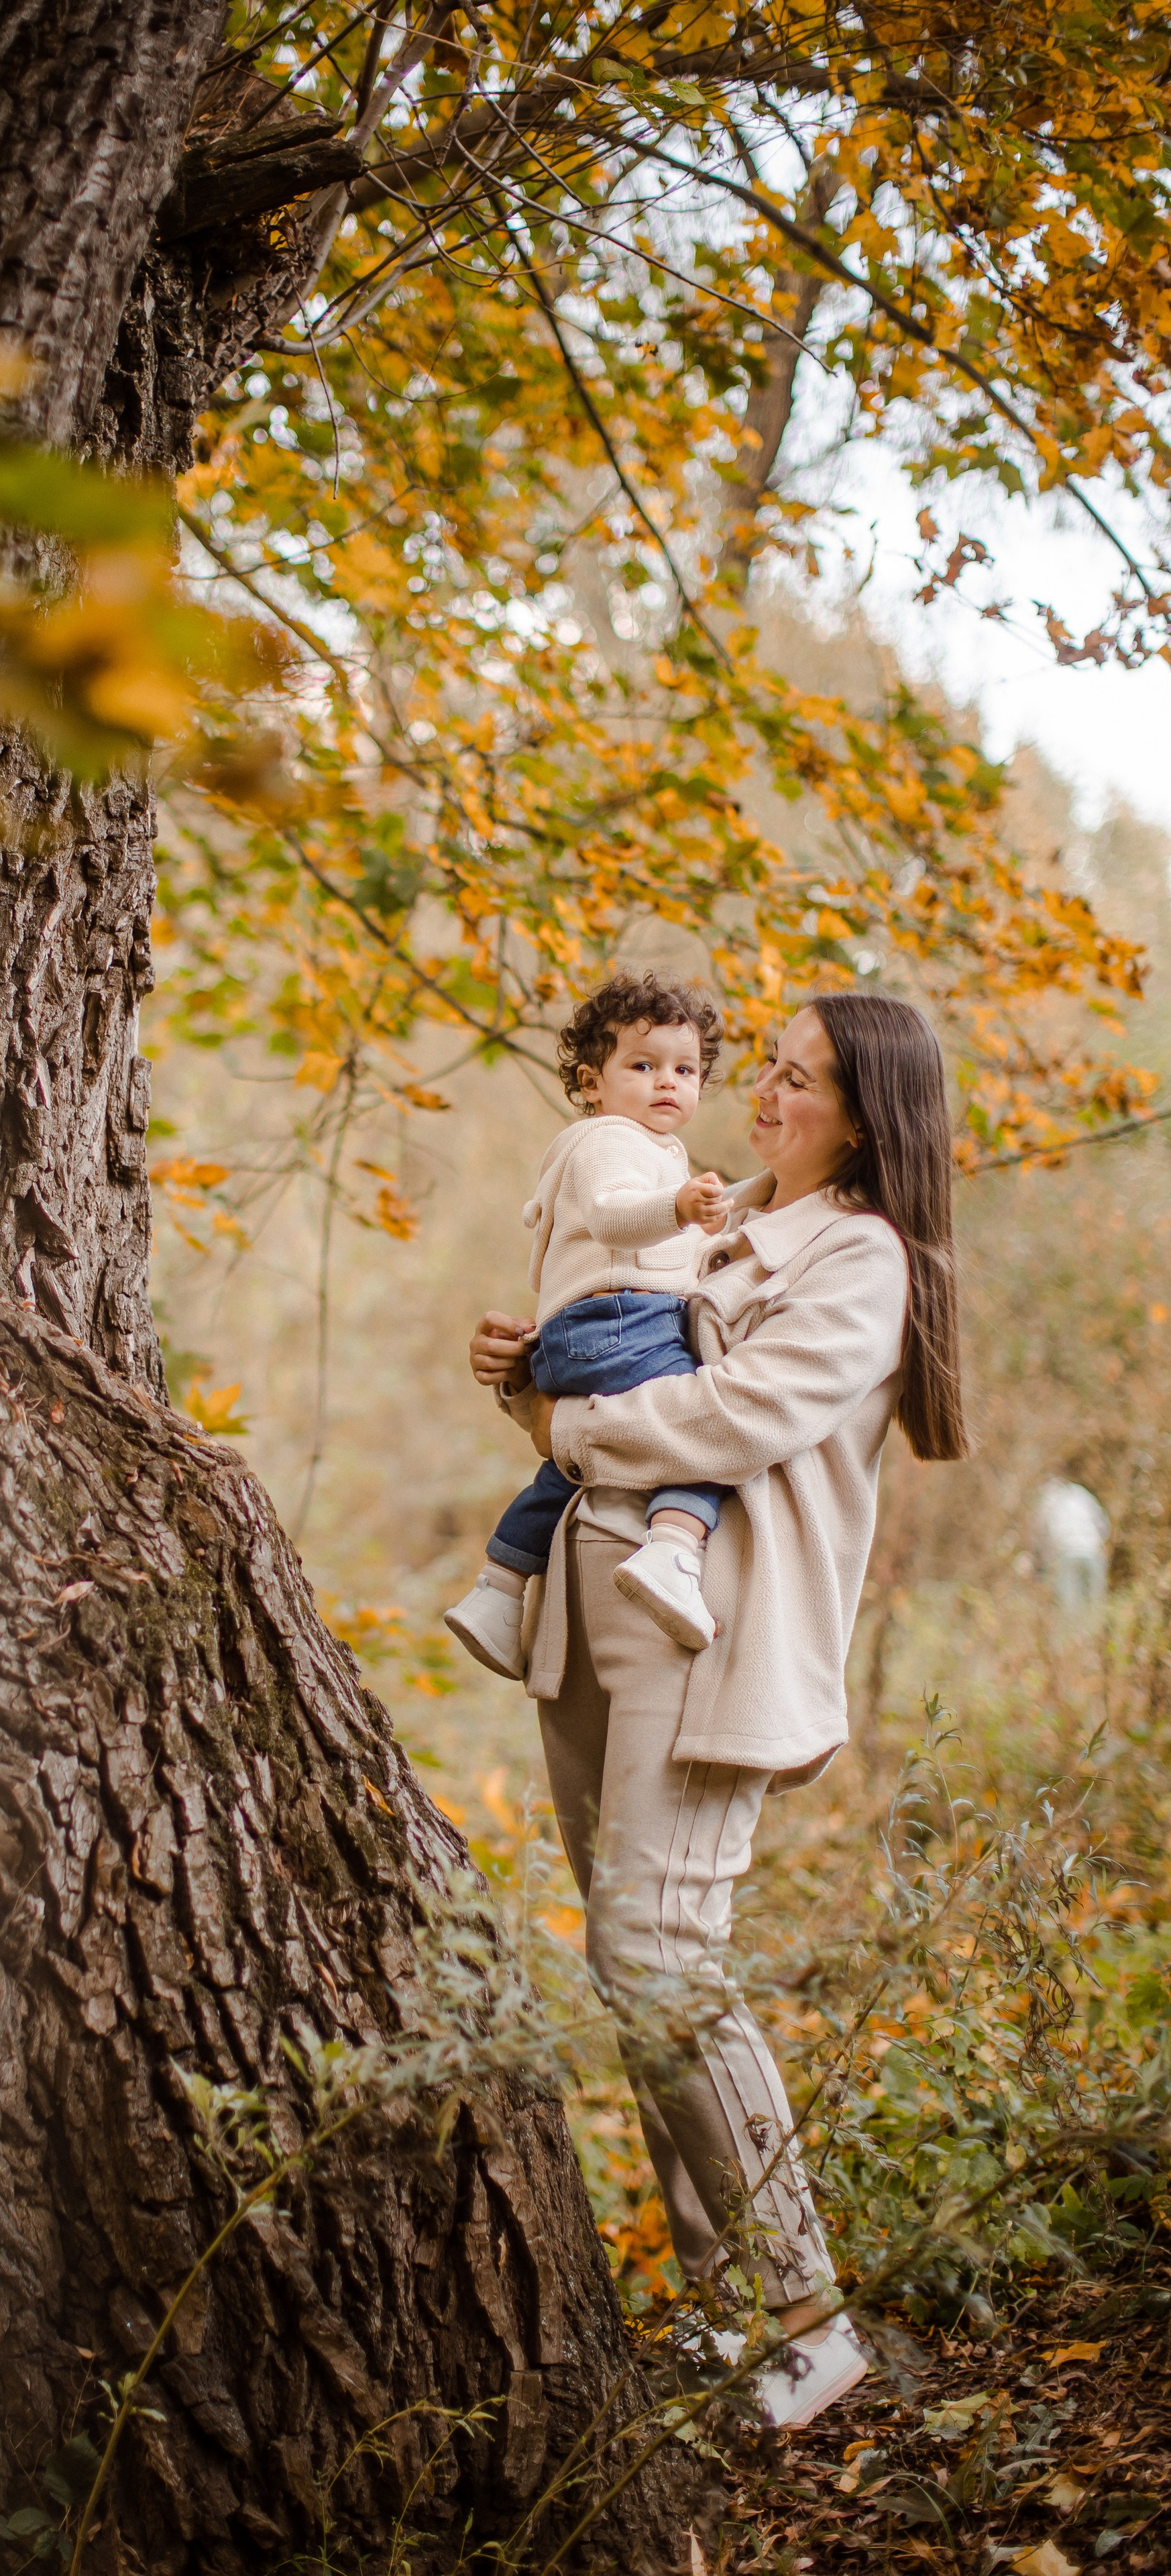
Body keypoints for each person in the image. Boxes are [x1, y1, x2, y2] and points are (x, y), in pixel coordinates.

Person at [467, 991, 967, 2427]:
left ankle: (808, 2319)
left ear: (865, 1121)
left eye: (799, 1081)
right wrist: (525, 1370)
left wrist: (568, 1423)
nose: (762, 1094)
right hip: (589, 1611)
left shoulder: (860, 1258)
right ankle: (719, 2312)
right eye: (769, 1067)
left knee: (660, 1957)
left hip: (709, 1631)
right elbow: (605, 1351)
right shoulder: (705, 1214)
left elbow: (735, 1415)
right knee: (630, 1967)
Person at [443, 972, 734, 1683]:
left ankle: (498, 1590)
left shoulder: (636, 1147)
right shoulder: (611, 1140)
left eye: (685, 1070)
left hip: (581, 1333)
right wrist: (680, 1208)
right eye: (643, 1065)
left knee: (570, 1466)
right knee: (703, 1431)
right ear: (591, 1082)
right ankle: (672, 1551)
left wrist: (701, 1236)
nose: (667, 1082)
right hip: (623, 1321)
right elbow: (613, 1216)